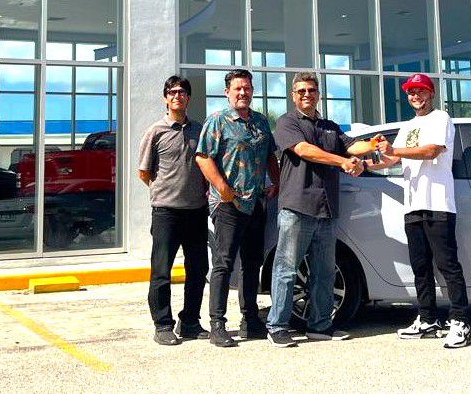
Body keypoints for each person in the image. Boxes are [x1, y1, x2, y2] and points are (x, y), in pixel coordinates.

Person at [265, 71, 382, 348]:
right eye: (301, 91)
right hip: (297, 207)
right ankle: (277, 326)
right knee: (286, 269)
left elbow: (353, 145)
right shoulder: (287, 123)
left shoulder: (330, 126)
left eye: (312, 90)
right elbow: (305, 150)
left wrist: (374, 145)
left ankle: (320, 325)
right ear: (294, 96)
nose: (307, 95)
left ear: (318, 94)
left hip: (326, 208)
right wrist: (342, 162)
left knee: (325, 271)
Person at [373, 73, 471, 349]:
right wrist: (367, 164)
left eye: (420, 91)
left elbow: (431, 152)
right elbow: (393, 158)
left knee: (447, 265)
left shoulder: (441, 119)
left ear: (431, 93)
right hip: (413, 204)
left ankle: (460, 322)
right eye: (410, 92)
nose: (415, 96)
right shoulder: (408, 126)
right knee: (420, 267)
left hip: (438, 203)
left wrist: (395, 149)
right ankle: (427, 319)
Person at [195, 68, 280, 348]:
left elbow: (270, 155)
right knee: (223, 264)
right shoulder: (218, 120)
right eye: (237, 88)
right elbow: (203, 158)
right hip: (228, 204)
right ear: (227, 92)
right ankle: (217, 324)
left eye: (247, 88)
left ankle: (250, 319)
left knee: (252, 263)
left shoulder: (260, 122)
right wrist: (222, 188)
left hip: (256, 201)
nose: (243, 93)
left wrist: (276, 182)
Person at [137, 75, 210, 346]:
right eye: (172, 92)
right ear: (165, 98)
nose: (177, 96)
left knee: (198, 269)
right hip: (166, 212)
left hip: (196, 211)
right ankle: (163, 324)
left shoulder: (199, 131)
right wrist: (163, 193)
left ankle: (190, 321)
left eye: (182, 92)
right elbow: (144, 172)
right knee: (161, 271)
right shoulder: (155, 131)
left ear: (188, 98)